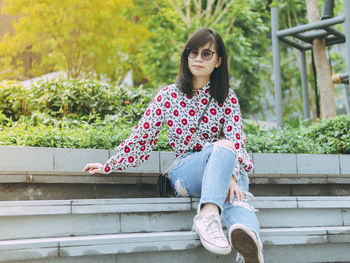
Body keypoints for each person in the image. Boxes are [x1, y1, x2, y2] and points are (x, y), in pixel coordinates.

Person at [83, 28, 264, 263]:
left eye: (207, 54)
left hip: (228, 166)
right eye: (193, 52)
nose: (198, 58)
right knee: (225, 152)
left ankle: (251, 249)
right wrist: (108, 165)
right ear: (186, 56)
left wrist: (230, 172)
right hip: (188, 170)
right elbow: (142, 137)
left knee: (237, 196)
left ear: (218, 61)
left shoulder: (227, 97)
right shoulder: (169, 95)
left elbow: (237, 142)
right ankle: (207, 216)